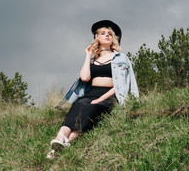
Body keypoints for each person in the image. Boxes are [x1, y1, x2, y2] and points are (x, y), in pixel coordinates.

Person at [47, 20, 139, 159]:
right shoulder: (92, 59)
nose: (107, 35)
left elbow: (121, 85)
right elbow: (84, 78)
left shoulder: (121, 58)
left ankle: (60, 148)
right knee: (78, 104)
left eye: (110, 34)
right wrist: (88, 55)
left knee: (91, 108)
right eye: (103, 33)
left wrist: (101, 99)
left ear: (114, 39)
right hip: (91, 93)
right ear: (97, 37)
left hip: (110, 95)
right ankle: (60, 139)